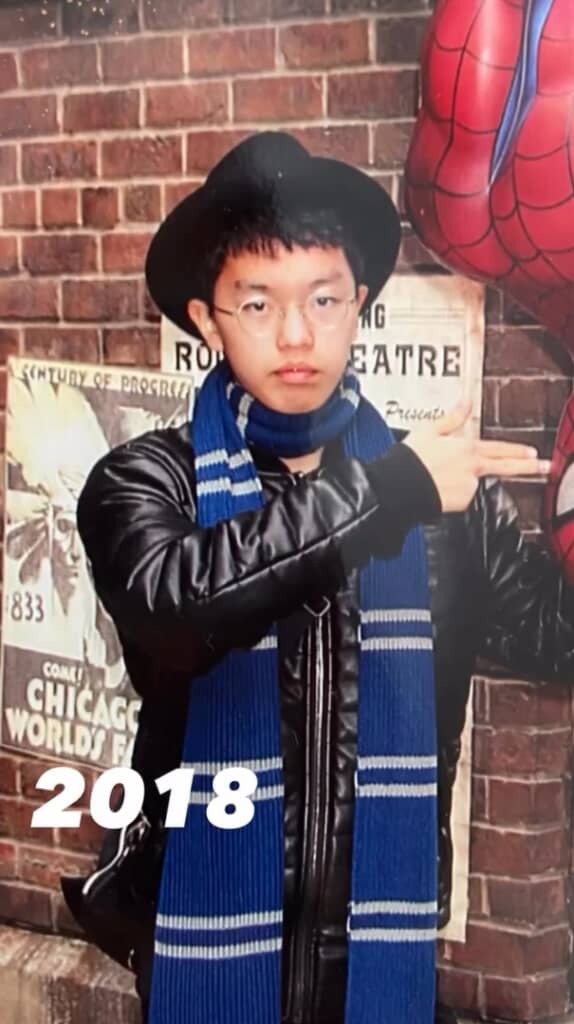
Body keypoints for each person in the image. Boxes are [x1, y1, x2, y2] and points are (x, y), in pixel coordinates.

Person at [63, 132, 574, 1024]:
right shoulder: (147, 481)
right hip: (200, 941)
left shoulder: (446, 500)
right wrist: (391, 492)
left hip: (374, 963)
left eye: (323, 299)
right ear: (206, 320)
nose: (296, 335)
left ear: (358, 305)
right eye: (258, 303)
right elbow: (177, 609)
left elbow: (559, 639)